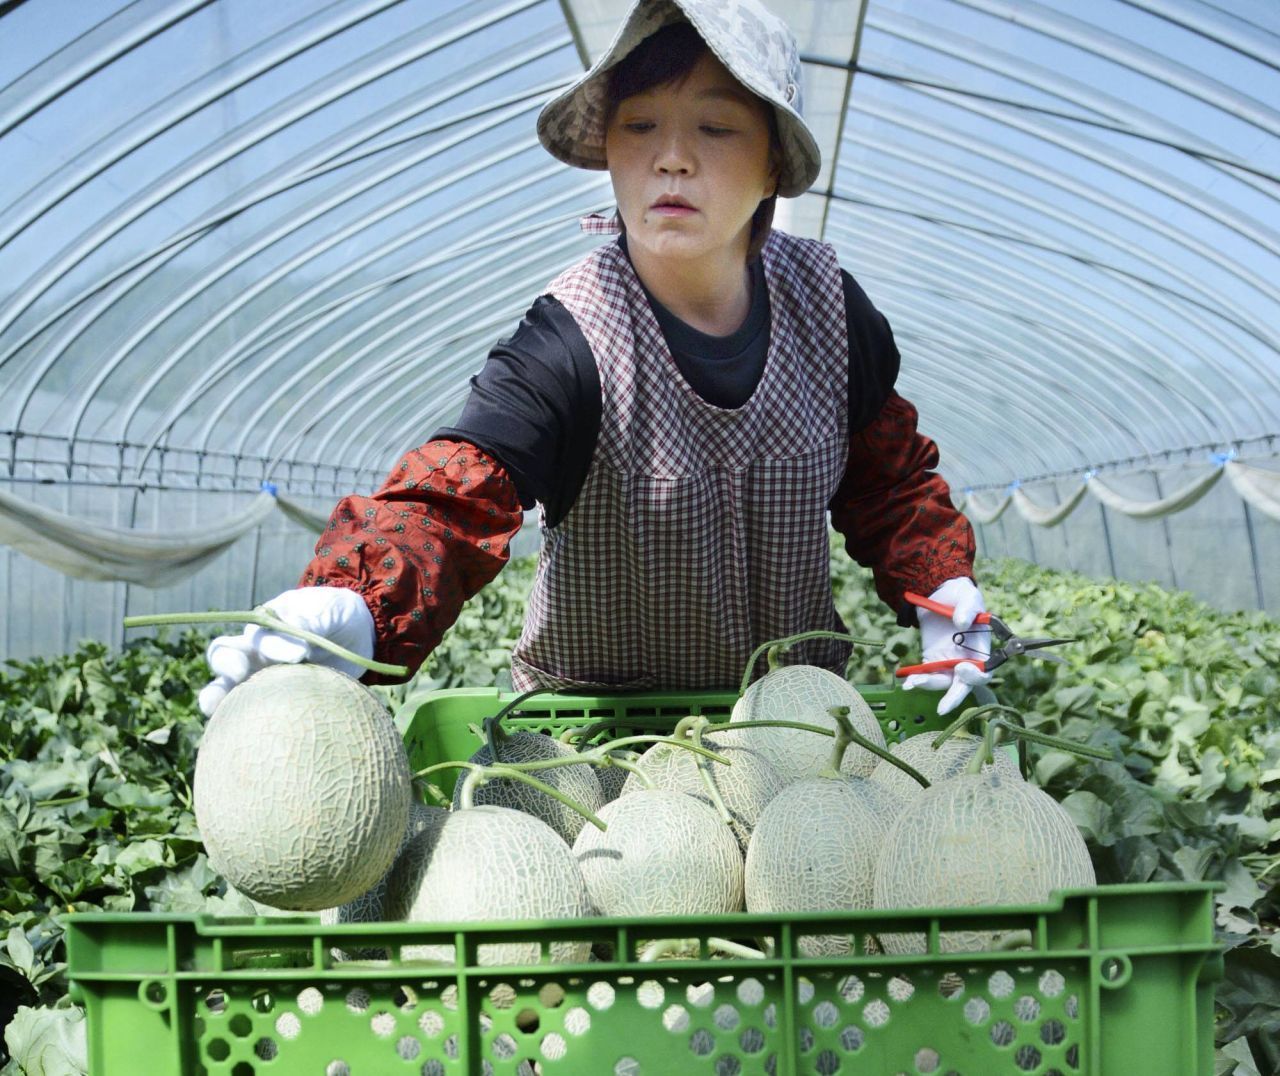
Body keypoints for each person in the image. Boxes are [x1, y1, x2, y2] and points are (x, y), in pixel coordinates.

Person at [199, 0, 990, 720]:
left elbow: (889, 482)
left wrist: (940, 584)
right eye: (639, 126)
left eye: (715, 129)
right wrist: (356, 604)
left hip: (792, 723)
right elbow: (458, 498)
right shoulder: (572, 340)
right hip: (597, 737)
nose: (670, 159)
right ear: (607, 152)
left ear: (774, 167)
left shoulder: (831, 312)